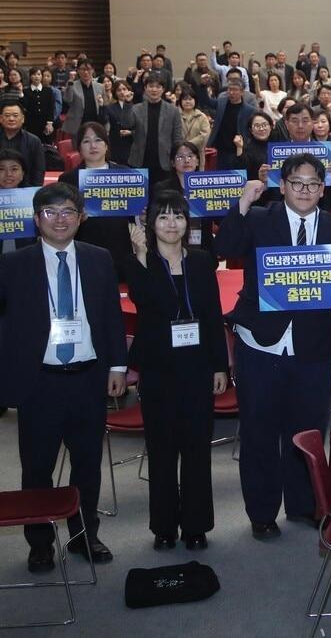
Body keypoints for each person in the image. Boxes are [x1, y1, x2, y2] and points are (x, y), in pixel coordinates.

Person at [215, 153, 331, 539]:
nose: (306, 190)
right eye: (297, 183)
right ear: (283, 184)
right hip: (259, 342)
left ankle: (305, 504)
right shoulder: (260, 219)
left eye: (314, 183)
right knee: (259, 431)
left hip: (311, 347)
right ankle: (261, 512)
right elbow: (224, 246)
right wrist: (241, 205)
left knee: (307, 431)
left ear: (323, 188)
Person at [0, 183, 127, 572]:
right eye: (51, 212)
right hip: (39, 382)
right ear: (36, 219)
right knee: (37, 467)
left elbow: (110, 315)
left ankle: (84, 533)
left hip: (88, 379)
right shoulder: (13, 265)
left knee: (87, 465)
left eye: (68, 211)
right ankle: (39, 543)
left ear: (81, 217)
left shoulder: (98, 258)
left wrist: (117, 366)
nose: (60, 219)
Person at [124, 190, 228, 551]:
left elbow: (213, 316)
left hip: (198, 367)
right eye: (163, 217)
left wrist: (220, 365)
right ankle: (164, 526)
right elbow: (146, 302)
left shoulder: (201, 261)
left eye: (178, 216)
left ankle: (197, 525)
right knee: (163, 450)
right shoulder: (141, 261)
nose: (172, 224)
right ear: (150, 224)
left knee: (197, 449)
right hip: (158, 368)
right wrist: (140, 256)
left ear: (188, 222)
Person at [58, 121, 133, 278]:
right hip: (84, 245)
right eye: (86, 141)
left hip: (119, 247)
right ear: (79, 148)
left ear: (106, 145)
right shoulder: (68, 179)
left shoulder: (125, 174)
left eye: (98, 140)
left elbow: (134, 215)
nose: (93, 146)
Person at [126, 73, 183, 185]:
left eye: (158, 87)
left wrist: (176, 159)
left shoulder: (173, 110)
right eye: (151, 86)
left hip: (164, 161)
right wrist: (128, 103)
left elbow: (177, 138)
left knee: (162, 196)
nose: (154, 90)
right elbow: (126, 123)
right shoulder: (136, 108)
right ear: (145, 88)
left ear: (163, 89)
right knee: (140, 199)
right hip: (140, 160)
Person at [0, 99, 44, 186]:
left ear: (23, 119)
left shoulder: (34, 141)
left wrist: (33, 191)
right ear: (1, 119)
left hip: (24, 189)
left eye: (15, 115)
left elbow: (38, 170)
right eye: (7, 115)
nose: (11, 119)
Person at [61, 60, 104, 138]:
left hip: (96, 124)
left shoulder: (100, 87)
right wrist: (70, 81)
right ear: (77, 70)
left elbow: (105, 107)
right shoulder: (72, 85)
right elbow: (67, 100)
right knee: (78, 149)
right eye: (83, 69)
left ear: (93, 70)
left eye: (88, 69)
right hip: (78, 125)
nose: (86, 72)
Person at [235, 110, 273, 182]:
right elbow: (242, 176)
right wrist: (239, 147)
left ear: (270, 127)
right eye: (257, 126)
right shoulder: (246, 149)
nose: (261, 129)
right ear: (251, 130)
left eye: (264, 125)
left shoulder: (278, 146)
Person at [21, 67, 55, 143]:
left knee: (46, 145)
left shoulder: (48, 91)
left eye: (39, 74)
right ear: (30, 76)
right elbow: (24, 106)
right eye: (34, 74)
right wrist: (21, 94)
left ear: (41, 76)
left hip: (45, 123)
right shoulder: (26, 91)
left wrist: (49, 123)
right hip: (31, 123)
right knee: (32, 144)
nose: (36, 76)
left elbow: (51, 107)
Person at [178, 89, 210, 156]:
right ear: (180, 101)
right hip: (179, 152)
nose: (187, 101)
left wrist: (189, 144)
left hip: (197, 153)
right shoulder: (176, 116)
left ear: (195, 100)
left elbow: (204, 135)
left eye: (190, 99)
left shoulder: (201, 116)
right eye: (185, 99)